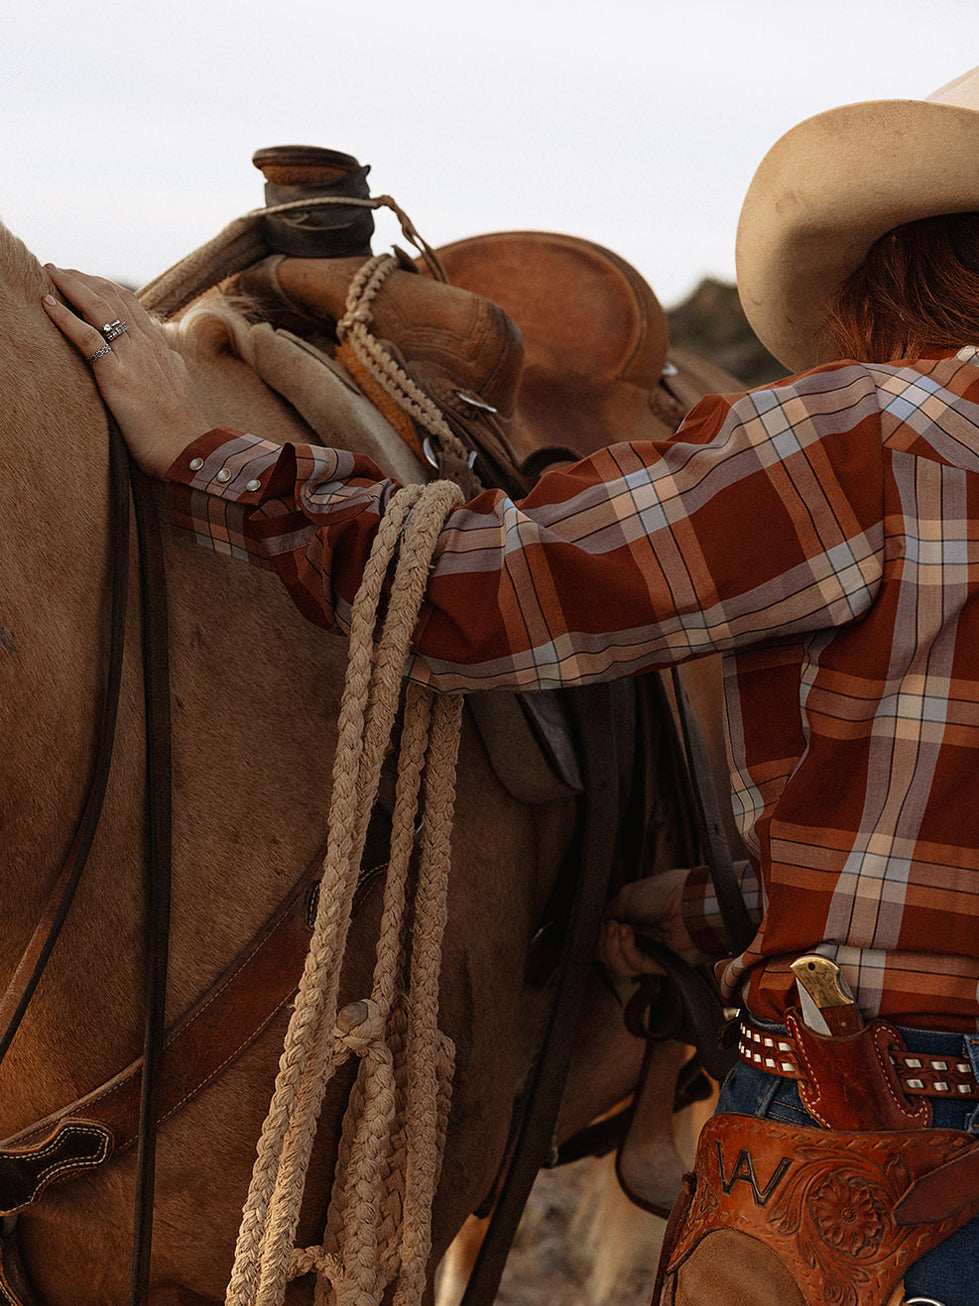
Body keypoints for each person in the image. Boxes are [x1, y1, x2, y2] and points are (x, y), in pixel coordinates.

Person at [41, 65, 979, 1306]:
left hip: (890, 1147)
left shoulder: (893, 435)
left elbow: (478, 586)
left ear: (906, 261)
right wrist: (717, 906)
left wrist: (205, 457)